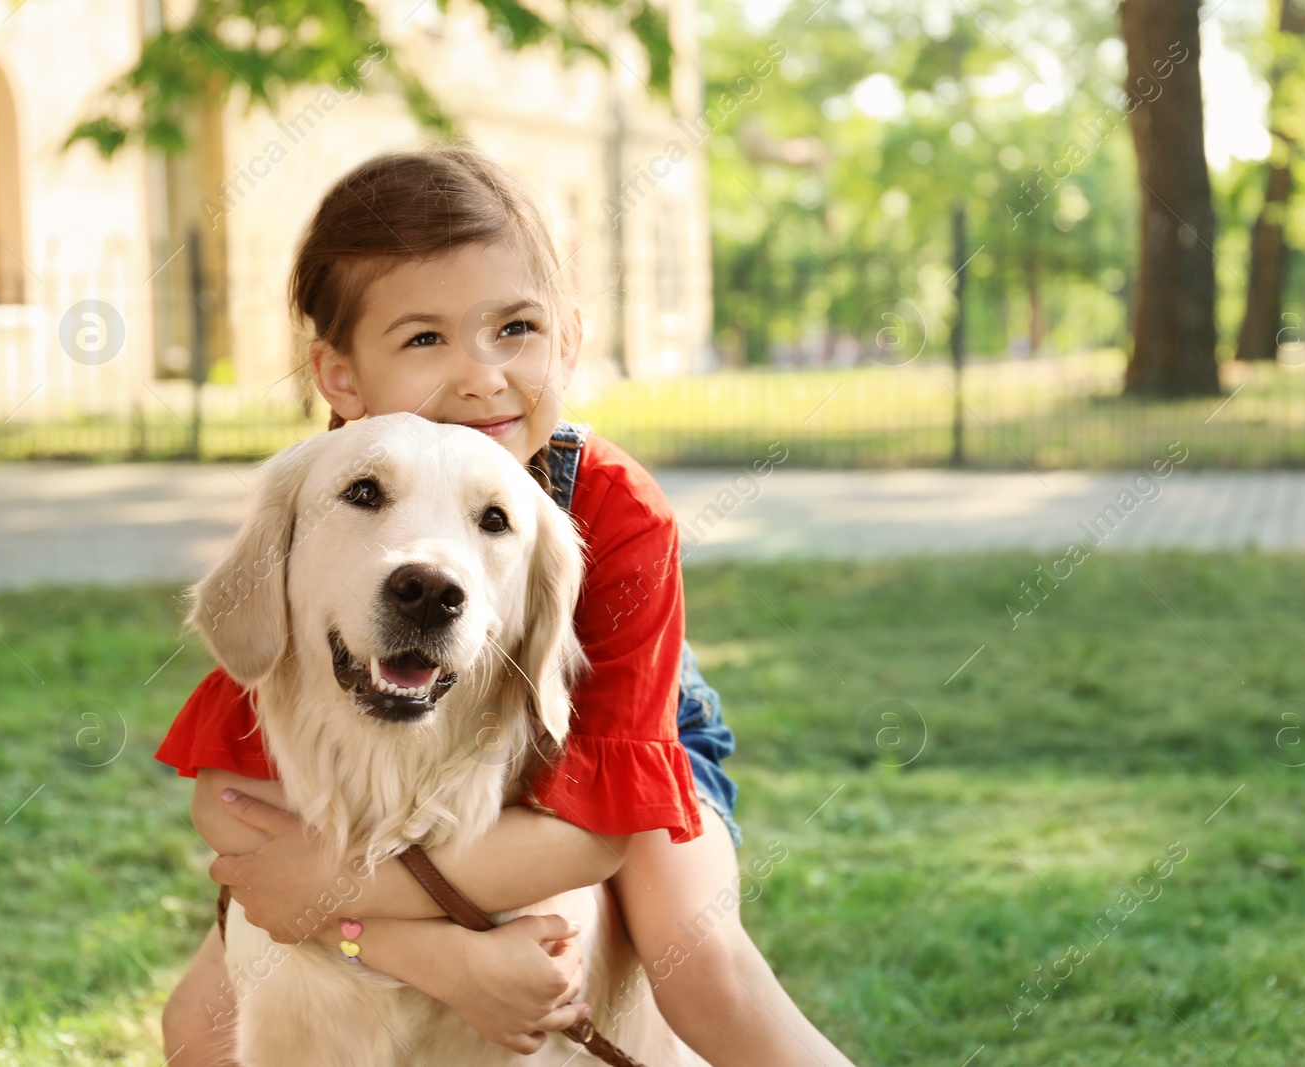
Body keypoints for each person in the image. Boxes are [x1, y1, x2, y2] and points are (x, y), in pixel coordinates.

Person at [156, 145, 854, 1067]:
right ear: (340, 377)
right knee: (198, 1027)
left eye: (513, 328)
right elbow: (230, 794)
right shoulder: (325, 497)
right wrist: (421, 947)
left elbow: (593, 831)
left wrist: (330, 887)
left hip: (615, 745)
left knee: (701, 965)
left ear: (567, 341)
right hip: (417, 767)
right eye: (424, 338)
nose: (482, 374)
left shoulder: (616, 510)